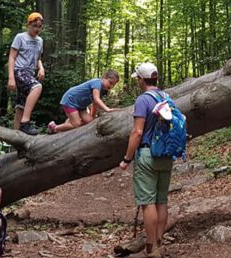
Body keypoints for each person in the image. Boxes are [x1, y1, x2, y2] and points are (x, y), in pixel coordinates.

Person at [119, 62, 173, 258]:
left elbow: (137, 131)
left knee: (148, 203)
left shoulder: (143, 100)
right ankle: (158, 244)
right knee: (161, 201)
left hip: (148, 155)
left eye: (138, 78)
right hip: (166, 155)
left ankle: (151, 249)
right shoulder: (166, 97)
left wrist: (126, 158)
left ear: (141, 79)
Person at [48, 70, 120, 134]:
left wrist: (92, 117)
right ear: (104, 78)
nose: (111, 86)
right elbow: (96, 99)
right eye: (110, 83)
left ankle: (67, 125)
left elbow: (95, 104)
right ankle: (54, 128)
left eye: (114, 85)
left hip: (81, 106)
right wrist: (108, 109)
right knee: (77, 124)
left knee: (90, 122)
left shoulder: (102, 91)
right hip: (70, 101)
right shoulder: (97, 82)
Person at [8, 12, 45, 135]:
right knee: (36, 87)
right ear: (28, 25)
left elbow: (38, 58)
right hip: (19, 71)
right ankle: (25, 122)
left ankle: (16, 137)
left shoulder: (40, 41)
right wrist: (11, 78)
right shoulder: (20, 37)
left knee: (21, 106)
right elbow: (12, 57)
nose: (37, 29)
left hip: (30, 73)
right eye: (34, 25)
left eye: (39, 26)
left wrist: (41, 68)